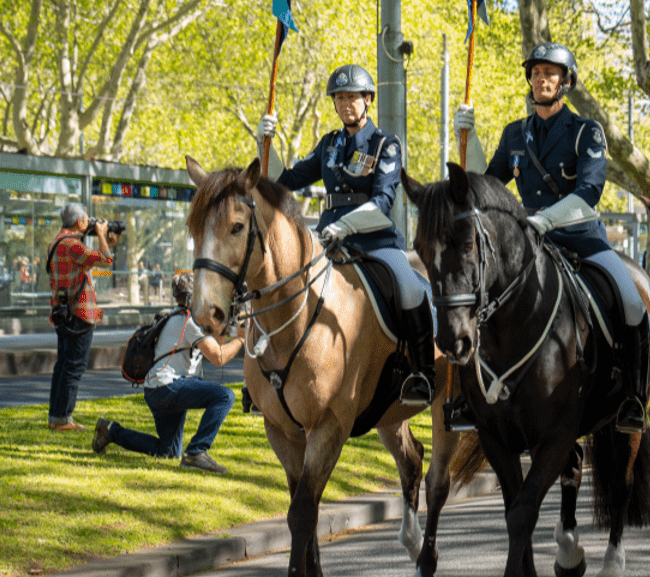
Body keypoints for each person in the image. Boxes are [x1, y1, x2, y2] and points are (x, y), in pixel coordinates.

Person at [454, 42, 650, 433]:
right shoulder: (515, 134)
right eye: (537, 73)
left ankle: (633, 396)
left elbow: (590, 191)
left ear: (566, 82)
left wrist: (545, 219)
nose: (542, 79)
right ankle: (469, 398)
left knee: (632, 303)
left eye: (551, 73)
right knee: (474, 297)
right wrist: (469, 136)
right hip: (530, 243)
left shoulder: (585, 132)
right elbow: (487, 185)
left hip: (580, 237)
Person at [258, 64, 436, 411]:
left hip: (373, 239)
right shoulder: (329, 144)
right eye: (339, 98)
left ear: (367, 100)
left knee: (412, 288)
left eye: (352, 97)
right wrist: (265, 141)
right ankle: (266, 375)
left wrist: (347, 226)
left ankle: (424, 374)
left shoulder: (386, 144)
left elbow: (383, 202)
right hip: (328, 240)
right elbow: (285, 180)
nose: (345, 104)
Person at [91, 273, 243, 473]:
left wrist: (222, 325)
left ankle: (111, 431)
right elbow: (219, 357)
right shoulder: (189, 322)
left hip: (156, 389)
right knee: (225, 396)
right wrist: (240, 339)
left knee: (168, 451)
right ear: (192, 298)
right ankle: (196, 452)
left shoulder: (176, 316)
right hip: (169, 387)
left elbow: (216, 345)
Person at [46, 203, 119, 431]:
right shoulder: (72, 245)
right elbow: (107, 261)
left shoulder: (56, 243)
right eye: (88, 220)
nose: (90, 223)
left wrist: (106, 241)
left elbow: (81, 268)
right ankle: (63, 420)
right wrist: (100, 234)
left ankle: (55, 416)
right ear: (80, 223)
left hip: (62, 313)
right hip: (79, 313)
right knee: (74, 367)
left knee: (63, 365)